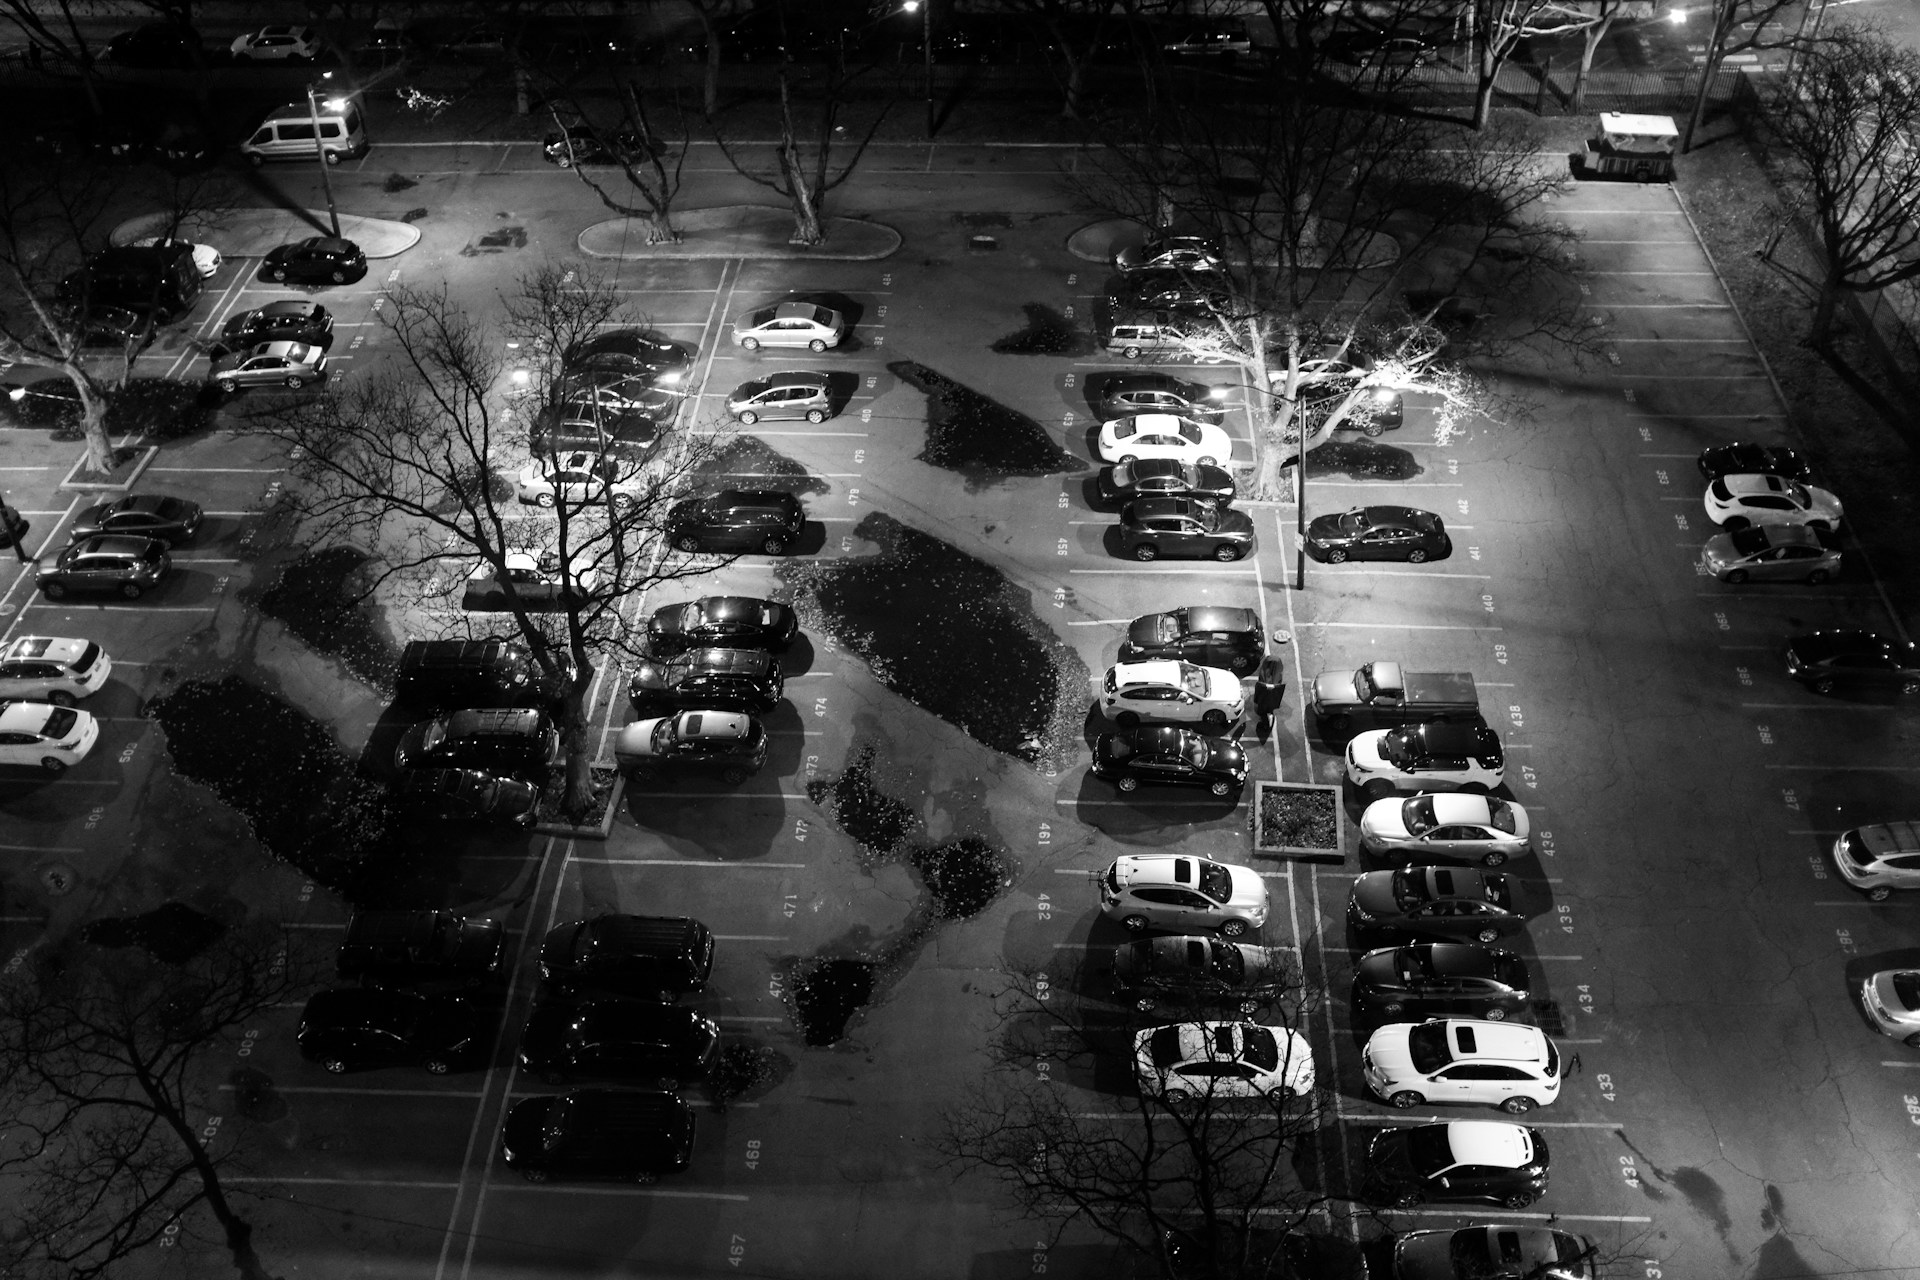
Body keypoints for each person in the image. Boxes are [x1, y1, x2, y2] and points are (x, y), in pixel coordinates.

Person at [1253, 655, 1285, 741]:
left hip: (1264, 699)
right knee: (1266, 711)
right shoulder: (1277, 675)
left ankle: (1265, 722)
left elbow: (1259, 687)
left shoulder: (1264, 674)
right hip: (1270, 700)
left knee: (1263, 711)